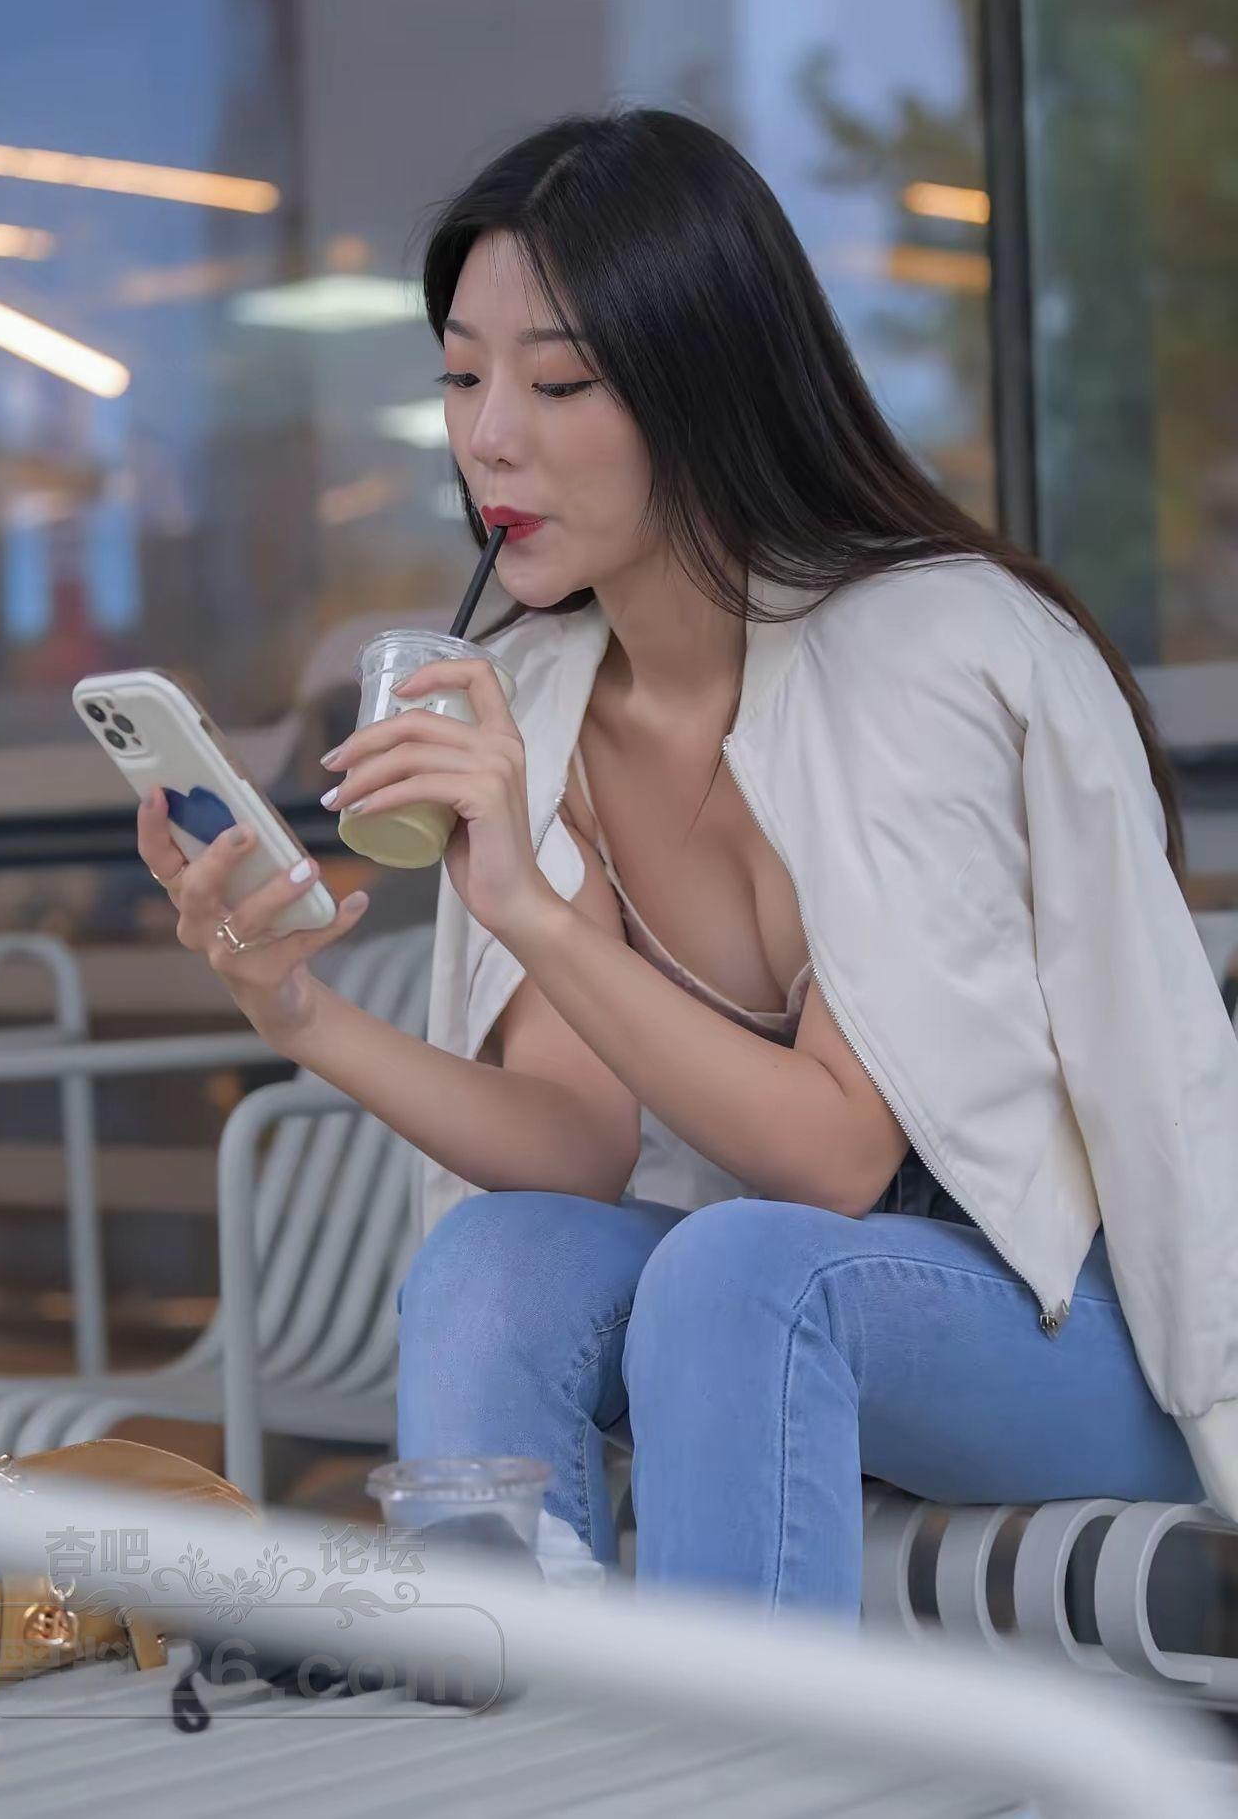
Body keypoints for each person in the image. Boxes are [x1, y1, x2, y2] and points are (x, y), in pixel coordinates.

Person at [139, 108, 1238, 1618]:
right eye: (460, 376)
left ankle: (728, 1749)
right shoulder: (539, 693)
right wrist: (297, 1010)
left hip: (1080, 1326)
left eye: (559, 382)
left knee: (741, 1273)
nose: (489, 435)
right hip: (791, 1308)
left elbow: (837, 1162)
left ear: (706, 385)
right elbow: (575, 1145)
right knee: (493, 1263)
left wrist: (532, 910)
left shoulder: (927, 656)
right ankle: (506, 1713)